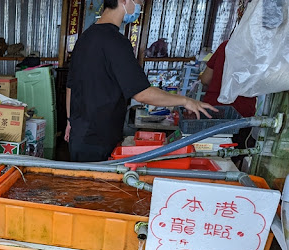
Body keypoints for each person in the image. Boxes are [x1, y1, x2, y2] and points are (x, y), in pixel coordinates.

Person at [65, 0, 217, 162]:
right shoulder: (116, 41)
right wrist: (185, 101)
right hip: (98, 138)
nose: (141, 6)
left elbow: (70, 86)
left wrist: (69, 122)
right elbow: (142, 93)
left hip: (80, 134)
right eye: (138, 1)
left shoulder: (86, 37)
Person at [200, 40, 257, 165]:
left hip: (214, 109)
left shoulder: (225, 46)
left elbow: (205, 79)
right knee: (233, 160)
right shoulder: (260, 50)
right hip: (241, 113)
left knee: (208, 153)